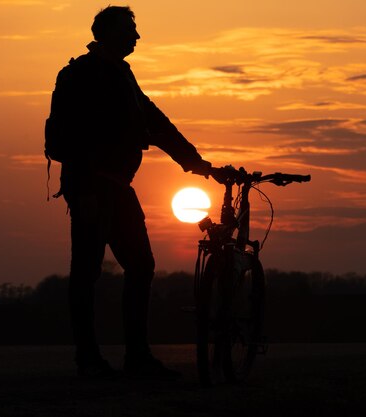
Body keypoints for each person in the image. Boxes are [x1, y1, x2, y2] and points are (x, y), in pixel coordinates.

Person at [46, 6, 211, 378]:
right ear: (107, 34)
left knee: (141, 266)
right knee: (86, 273)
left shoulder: (122, 75)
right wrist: (84, 190)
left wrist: (195, 162)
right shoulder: (78, 75)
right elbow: (62, 139)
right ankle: (88, 358)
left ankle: (137, 355)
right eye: (130, 30)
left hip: (119, 188)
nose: (137, 37)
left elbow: (155, 119)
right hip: (91, 188)